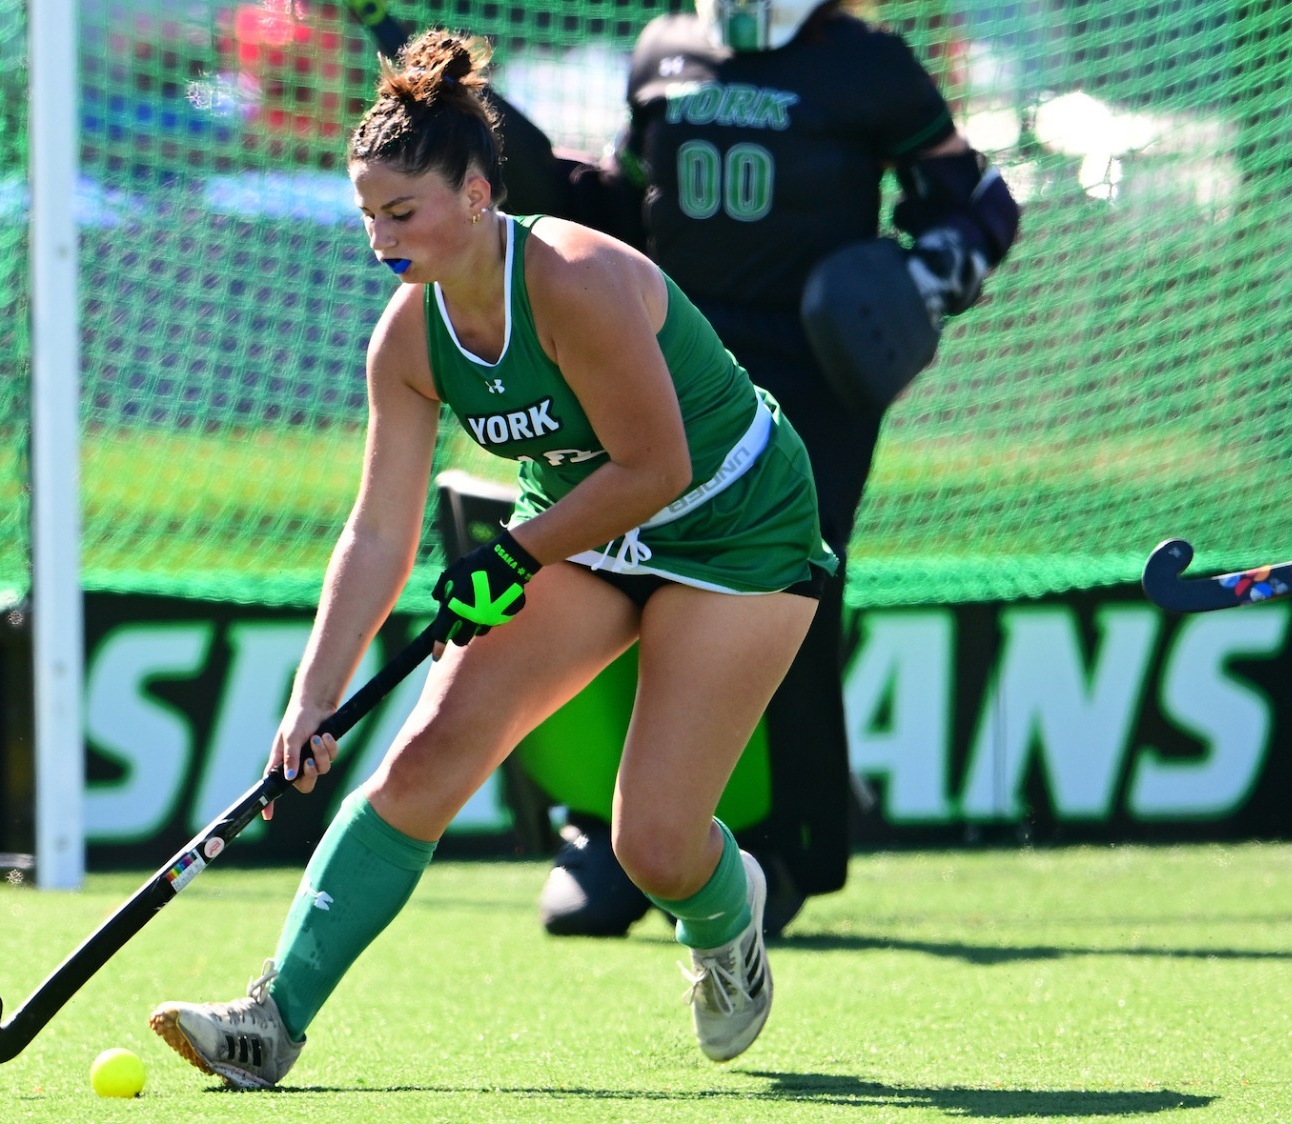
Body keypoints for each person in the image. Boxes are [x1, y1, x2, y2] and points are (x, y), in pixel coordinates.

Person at [147, 30, 837, 1088]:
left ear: (473, 193)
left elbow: (654, 463)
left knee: (649, 843)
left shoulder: (573, 279)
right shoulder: (408, 339)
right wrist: (311, 697)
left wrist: (508, 554)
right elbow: (375, 531)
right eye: (367, 215)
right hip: (584, 529)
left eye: (402, 212)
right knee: (424, 753)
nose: (381, 239)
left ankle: (725, 912)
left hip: (734, 525)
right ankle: (270, 1017)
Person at [494, 0, 1021, 939]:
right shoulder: (664, 48)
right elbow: (630, 198)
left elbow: (972, 200)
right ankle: (615, 836)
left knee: (785, 593)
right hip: (675, 368)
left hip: (813, 379)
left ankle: (788, 844)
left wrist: (923, 277)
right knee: (619, 575)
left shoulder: (870, 64)